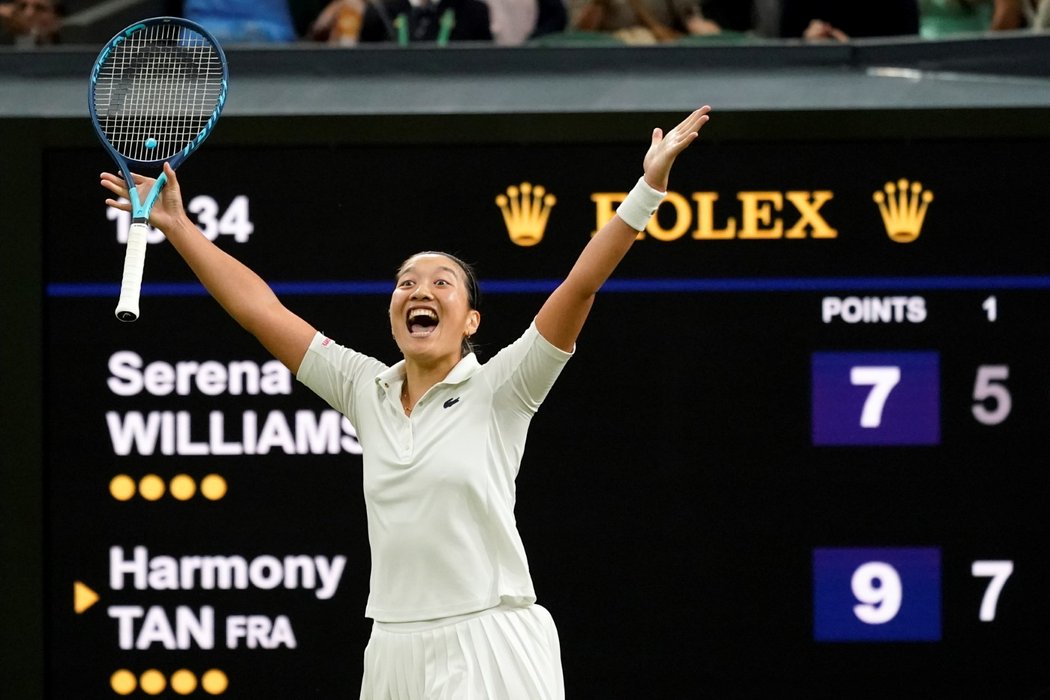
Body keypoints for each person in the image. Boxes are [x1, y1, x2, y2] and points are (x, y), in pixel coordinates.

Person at [100, 106, 711, 698]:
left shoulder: (504, 387)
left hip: (489, 639)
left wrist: (647, 188)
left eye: (441, 282)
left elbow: (581, 284)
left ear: (470, 319)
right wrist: (178, 227)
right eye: (406, 282)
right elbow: (260, 311)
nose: (419, 289)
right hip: (392, 647)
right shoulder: (365, 389)